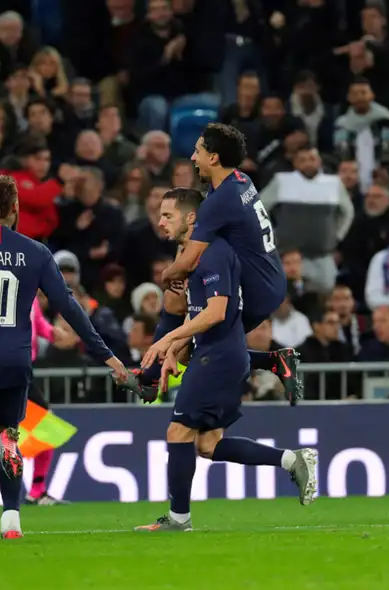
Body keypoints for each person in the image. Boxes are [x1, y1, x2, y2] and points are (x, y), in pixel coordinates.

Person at [0, 175, 131, 539]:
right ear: (15, 208)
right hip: (16, 361)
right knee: (9, 434)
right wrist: (108, 357)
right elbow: (69, 307)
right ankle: (11, 521)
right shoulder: (36, 253)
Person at [135, 188, 316, 532]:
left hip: (217, 357)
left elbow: (216, 312)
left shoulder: (213, 254)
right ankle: (293, 460)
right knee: (207, 444)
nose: (160, 222)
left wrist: (170, 340)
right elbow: (188, 310)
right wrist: (174, 346)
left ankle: (178, 519)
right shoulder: (191, 255)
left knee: (178, 431)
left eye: (168, 215)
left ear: (191, 218)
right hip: (219, 355)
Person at [152, 123, 301, 405]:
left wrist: (167, 274)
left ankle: (265, 367)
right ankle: (272, 362)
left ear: (214, 157)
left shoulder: (218, 202)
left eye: (198, 151)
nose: (193, 158)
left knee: (196, 348)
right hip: (271, 276)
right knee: (190, 339)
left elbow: (190, 259)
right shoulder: (241, 180)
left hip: (255, 289)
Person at [0, 298, 70, 506]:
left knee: (41, 427)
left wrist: (51, 332)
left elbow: (36, 321)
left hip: (23, 367)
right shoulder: (2, 291)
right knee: (43, 426)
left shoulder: (28, 293)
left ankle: (32, 489)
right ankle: (27, 487)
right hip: (10, 366)